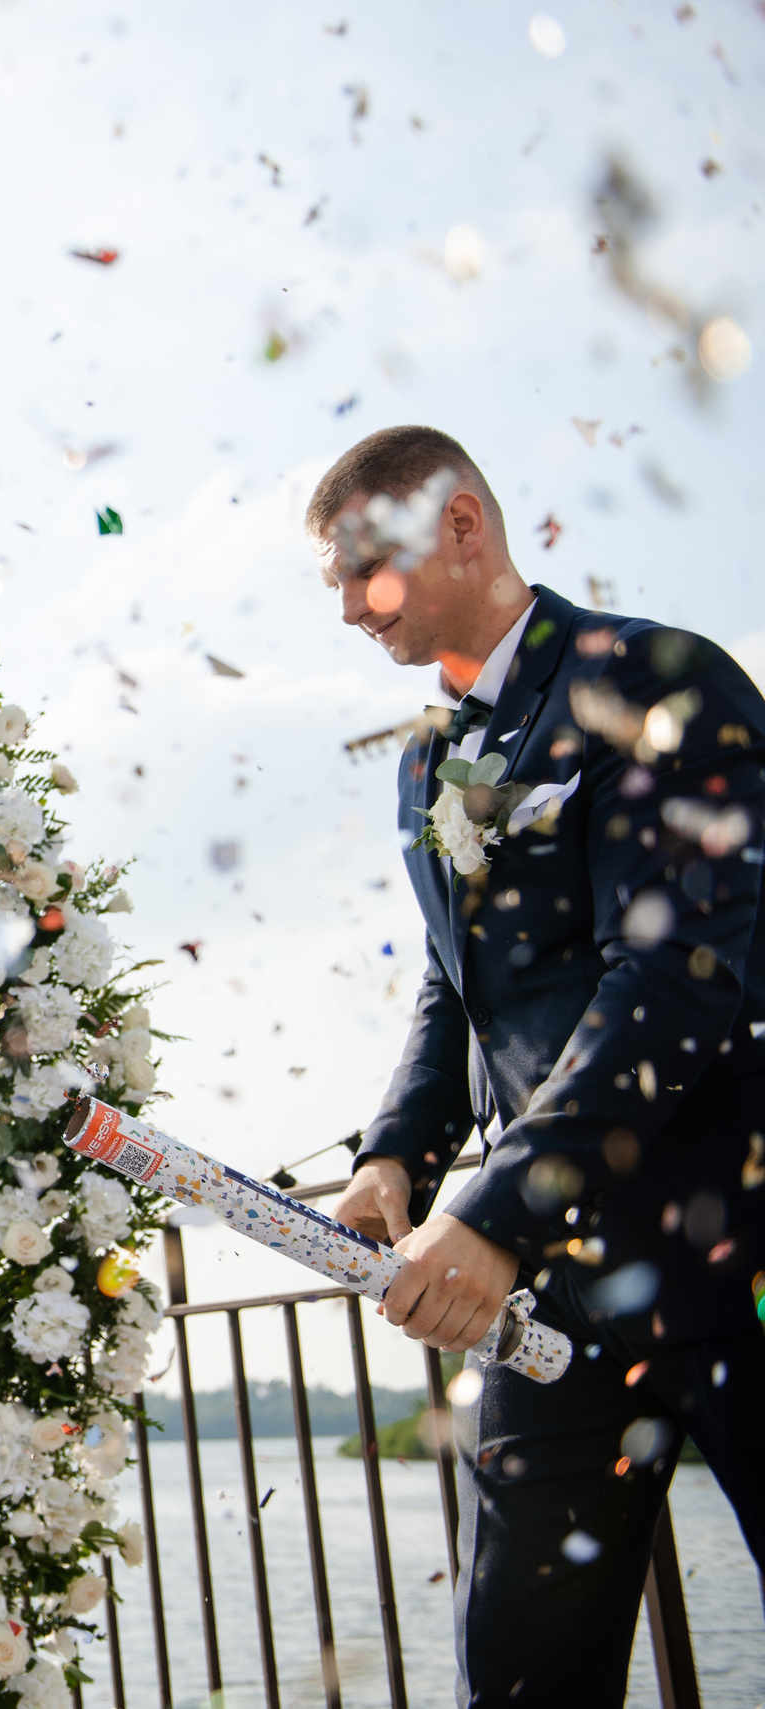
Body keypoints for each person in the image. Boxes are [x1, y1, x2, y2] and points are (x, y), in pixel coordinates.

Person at [317, 425, 765, 1706]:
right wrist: (393, 1155)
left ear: (462, 524)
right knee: (519, 1671)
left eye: (366, 571)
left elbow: (671, 976)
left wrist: (495, 1210)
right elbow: (454, 984)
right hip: (556, 1300)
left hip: (733, 1237)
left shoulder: (658, 673)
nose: (350, 610)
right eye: (335, 587)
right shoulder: (424, 759)